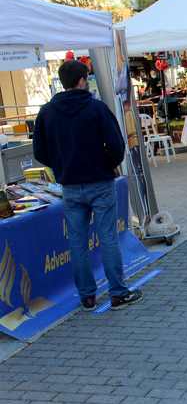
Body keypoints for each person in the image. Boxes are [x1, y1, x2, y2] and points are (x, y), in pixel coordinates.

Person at [32, 60, 143, 311]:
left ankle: (87, 296)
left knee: (77, 243)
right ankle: (117, 293)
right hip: (99, 181)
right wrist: (107, 164)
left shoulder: (47, 112)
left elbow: (40, 151)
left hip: (70, 185)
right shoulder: (96, 109)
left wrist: (60, 166)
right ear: (82, 80)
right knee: (108, 238)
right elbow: (116, 145)